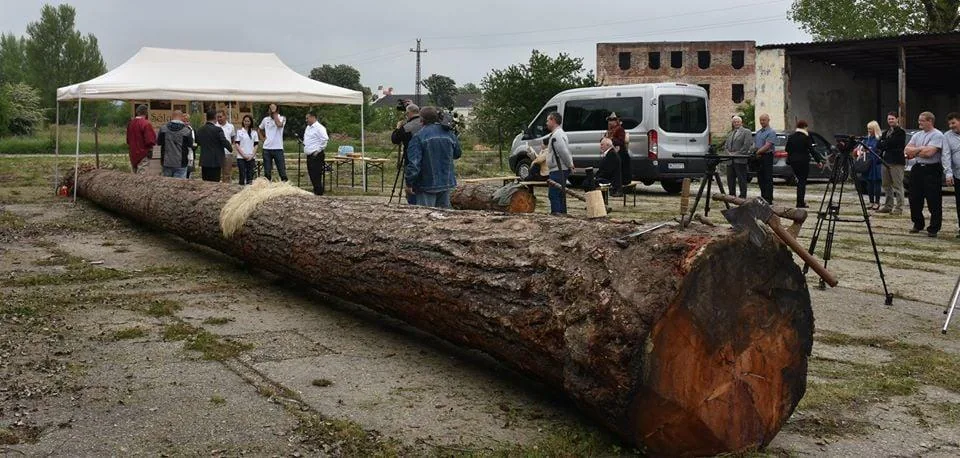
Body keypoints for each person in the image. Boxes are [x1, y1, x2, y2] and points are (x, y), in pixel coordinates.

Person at [404, 107, 462, 208]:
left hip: (425, 185)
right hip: (446, 183)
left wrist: (409, 183)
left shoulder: (418, 137)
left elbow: (414, 164)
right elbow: (457, 154)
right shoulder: (449, 134)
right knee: (444, 216)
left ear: (421, 119)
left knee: (426, 215)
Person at [904, 111, 945, 237]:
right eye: (919, 120)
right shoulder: (917, 135)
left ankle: (934, 228)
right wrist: (921, 149)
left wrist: (916, 151)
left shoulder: (937, 135)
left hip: (932, 169)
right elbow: (907, 150)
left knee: (933, 199)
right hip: (917, 168)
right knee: (914, 198)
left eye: (922, 120)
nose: (919, 123)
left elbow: (929, 153)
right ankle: (918, 223)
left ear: (930, 121)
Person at [785, 120, 823, 208]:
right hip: (803, 161)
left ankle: (800, 201)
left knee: (799, 180)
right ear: (805, 127)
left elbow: (787, 149)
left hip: (793, 162)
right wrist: (818, 161)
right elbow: (812, 150)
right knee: (802, 181)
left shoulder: (791, 137)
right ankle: (800, 202)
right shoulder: (806, 137)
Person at [545, 112, 576, 215]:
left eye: (548, 120)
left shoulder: (557, 135)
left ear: (553, 120)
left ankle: (557, 214)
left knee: (554, 194)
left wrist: (570, 164)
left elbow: (564, 151)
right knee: (559, 193)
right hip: (557, 168)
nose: (546, 123)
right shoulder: (558, 134)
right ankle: (562, 213)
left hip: (558, 168)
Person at [391, 102, 422, 204]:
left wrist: (398, 127)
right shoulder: (426, 124)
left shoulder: (407, 127)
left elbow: (395, 139)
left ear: (408, 113)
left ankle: (413, 205)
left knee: (412, 188)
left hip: (410, 160)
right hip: (428, 160)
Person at [877, 112, 907, 215]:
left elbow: (894, 143)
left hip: (896, 162)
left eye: (892, 118)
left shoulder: (901, 132)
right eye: (889, 119)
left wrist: (885, 143)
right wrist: (886, 143)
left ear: (897, 119)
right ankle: (888, 206)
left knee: (897, 185)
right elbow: (879, 145)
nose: (890, 121)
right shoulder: (885, 132)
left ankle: (899, 208)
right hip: (885, 161)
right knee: (886, 185)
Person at [196, 109, 234, 182]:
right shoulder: (218, 130)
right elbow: (224, 141)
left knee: (205, 181)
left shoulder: (200, 129)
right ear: (215, 117)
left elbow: (198, 142)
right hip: (215, 161)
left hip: (204, 160)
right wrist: (230, 148)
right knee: (215, 182)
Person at [156, 110, 193, 179]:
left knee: (166, 183)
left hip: (166, 162)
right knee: (179, 184)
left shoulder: (163, 129)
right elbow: (190, 145)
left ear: (172, 117)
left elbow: (159, 142)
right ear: (181, 117)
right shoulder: (187, 131)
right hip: (181, 163)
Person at [723, 115, 753, 198]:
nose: (736, 123)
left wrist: (735, 154)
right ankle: (731, 195)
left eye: (738, 122)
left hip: (740, 159)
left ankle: (742, 195)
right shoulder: (730, 133)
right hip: (730, 160)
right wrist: (729, 153)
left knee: (741, 179)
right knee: (730, 179)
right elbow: (725, 146)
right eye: (734, 122)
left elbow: (746, 146)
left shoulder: (746, 132)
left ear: (741, 122)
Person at [941, 112, 960, 238]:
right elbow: (946, 155)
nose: (951, 126)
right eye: (949, 124)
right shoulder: (947, 136)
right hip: (958, 174)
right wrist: (948, 173)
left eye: (953, 123)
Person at [258, 103, 288, 182]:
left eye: (272, 109)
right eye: (270, 109)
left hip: (278, 148)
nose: (270, 111)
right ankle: (268, 186)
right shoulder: (265, 119)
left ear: (277, 110)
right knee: (267, 172)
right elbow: (259, 129)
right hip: (267, 149)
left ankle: (285, 185)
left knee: (282, 171)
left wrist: (275, 113)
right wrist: (263, 138)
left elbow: (279, 125)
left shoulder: (282, 118)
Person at [303, 112, 329, 196]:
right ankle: (316, 190)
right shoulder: (308, 128)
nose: (306, 120)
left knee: (316, 174)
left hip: (316, 154)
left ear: (313, 117)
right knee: (311, 174)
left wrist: (318, 150)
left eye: (307, 118)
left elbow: (324, 139)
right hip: (309, 154)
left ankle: (319, 192)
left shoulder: (319, 128)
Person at [125, 104, 156, 174]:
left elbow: (128, 140)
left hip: (133, 153)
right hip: (143, 154)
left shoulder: (130, 123)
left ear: (137, 112)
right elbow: (150, 140)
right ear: (146, 112)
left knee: (134, 176)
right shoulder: (146, 124)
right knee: (142, 177)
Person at [859, 121, 883, 210]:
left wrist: (870, 149)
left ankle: (877, 202)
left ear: (875, 129)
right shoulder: (867, 138)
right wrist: (863, 150)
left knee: (876, 182)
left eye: (870, 129)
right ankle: (871, 201)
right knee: (869, 183)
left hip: (876, 163)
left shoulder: (879, 139)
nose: (869, 130)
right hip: (868, 163)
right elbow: (862, 147)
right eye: (868, 129)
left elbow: (879, 150)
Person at [754, 114, 777, 203]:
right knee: (760, 178)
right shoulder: (759, 132)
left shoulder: (771, 132)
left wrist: (757, 152)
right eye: (761, 120)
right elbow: (756, 144)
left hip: (767, 156)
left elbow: (768, 145)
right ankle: (763, 197)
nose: (762, 122)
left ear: (768, 120)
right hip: (759, 157)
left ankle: (768, 198)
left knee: (767, 178)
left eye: (764, 120)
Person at [604, 113, 630, 193]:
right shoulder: (609, 130)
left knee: (619, 173)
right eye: (609, 120)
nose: (610, 122)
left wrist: (611, 139)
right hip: (612, 153)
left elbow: (621, 141)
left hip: (620, 154)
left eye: (612, 120)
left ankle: (619, 189)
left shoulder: (620, 129)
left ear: (616, 121)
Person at [234, 114, 259, 186]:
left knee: (250, 176)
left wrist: (252, 155)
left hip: (251, 157)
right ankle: (241, 189)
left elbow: (256, 145)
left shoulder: (254, 133)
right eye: (245, 121)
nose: (246, 123)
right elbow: (237, 144)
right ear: (243, 121)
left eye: (248, 121)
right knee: (242, 175)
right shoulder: (239, 132)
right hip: (241, 157)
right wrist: (244, 155)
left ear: (251, 122)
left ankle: (249, 190)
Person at [216, 110, 236, 183]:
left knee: (227, 174)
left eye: (220, 117)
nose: (219, 119)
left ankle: (226, 187)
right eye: (218, 117)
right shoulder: (215, 126)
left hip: (227, 153)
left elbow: (232, 138)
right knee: (217, 174)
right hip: (217, 153)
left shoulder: (231, 126)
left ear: (225, 117)